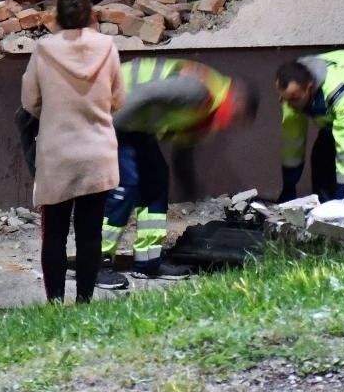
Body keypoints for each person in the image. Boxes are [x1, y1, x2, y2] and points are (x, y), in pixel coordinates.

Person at [102, 57, 259, 284]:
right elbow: (145, 94)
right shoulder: (198, 91)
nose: (231, 125)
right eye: (238, 118)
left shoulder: (208, 111)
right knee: (127, 186)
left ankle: (148, 261)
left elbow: (184, 148)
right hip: (115, 110)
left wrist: (189, 185)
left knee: (156, 181)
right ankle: (96, 262)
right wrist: (107, 129)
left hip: (135, 125)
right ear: (236, 102)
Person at [20, 0, 123, 304]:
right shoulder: (108, 47)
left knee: (54, 233)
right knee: (90, 235)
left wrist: (53, 116)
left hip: (57, 156)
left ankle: (54, 303)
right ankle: (84, 302)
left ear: (56, 18)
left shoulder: (43, 50)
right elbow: (118, 99)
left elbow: (29, 101)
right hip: (98, 154)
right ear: (92, 16)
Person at [276, 50, 344, 202]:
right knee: (322, 153)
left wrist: (343, 197)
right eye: (285, 98)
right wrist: (289, 186)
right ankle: (324, 209)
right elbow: (293, 144)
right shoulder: (291, 99)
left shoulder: (339, 92)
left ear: (309, 87)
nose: (289, 105)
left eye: (294, 99)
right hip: (339, 90)